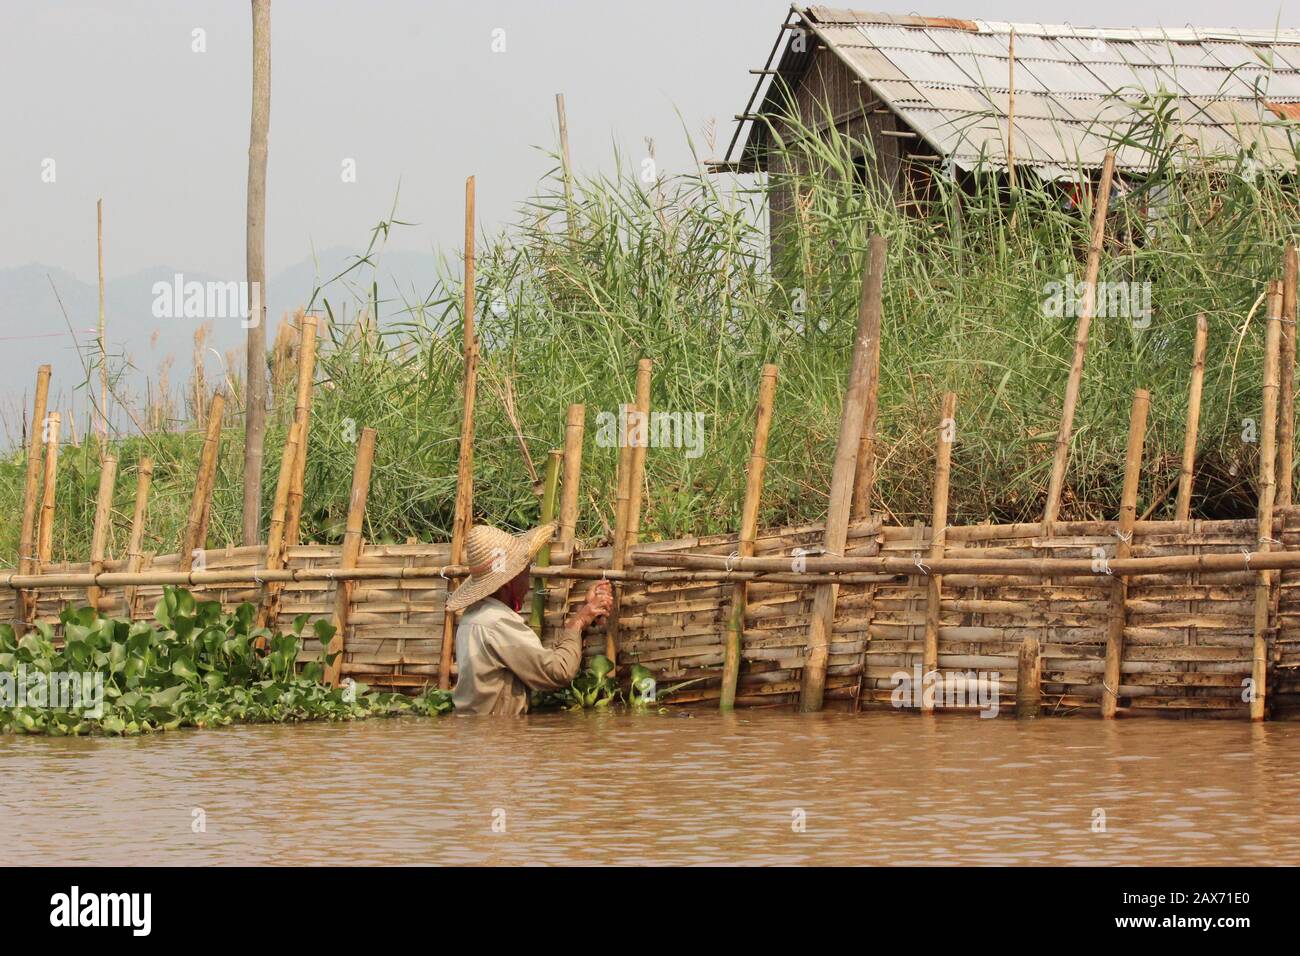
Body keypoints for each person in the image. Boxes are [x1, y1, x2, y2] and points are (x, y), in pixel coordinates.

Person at [446, 521, 614, 715]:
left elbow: (535, 661)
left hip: (476, 733)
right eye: (525, 573)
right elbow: (558, 672)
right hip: (495, 736)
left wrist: (582, 614)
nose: (528, 583)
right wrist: (578, 623)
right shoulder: (497, 622)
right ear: (508, 582)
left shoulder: (474, 616)